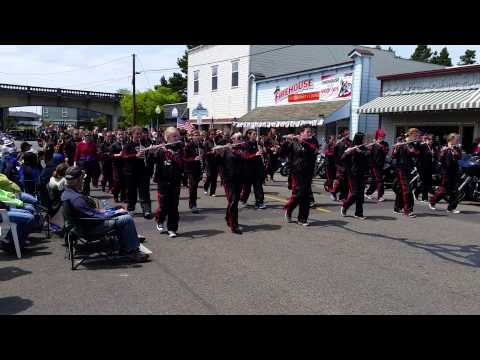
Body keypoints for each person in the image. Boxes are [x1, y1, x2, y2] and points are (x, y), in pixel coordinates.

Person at [60, 166, 149, 262]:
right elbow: (93, 217)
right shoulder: (76, 199)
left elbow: (89, 213)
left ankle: (128, 244)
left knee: (120, 212)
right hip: (89, 228)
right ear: (77, 180)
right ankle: (131, 251)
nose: (84, 181)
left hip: (80, 227)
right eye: (82, 179)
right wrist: (112, 213)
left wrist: (107, 211)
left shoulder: (67, 193)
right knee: (126, 218)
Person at [149, 127, 184, 238]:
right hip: (163, 181)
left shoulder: (180, 149)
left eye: (178, 135)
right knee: (163, 205)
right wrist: (151, 153)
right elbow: (151, 163)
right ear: (167, 138)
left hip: (175, 181)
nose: (177, 138)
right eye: (174, 136)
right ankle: (159, 220)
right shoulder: (160, 150)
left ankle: (172, 228)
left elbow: (182, 162)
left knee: (174, 206)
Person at [280, 126, 319, 226]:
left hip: (308, 171)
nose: (310, 134)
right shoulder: (293, 142)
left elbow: (314, 150)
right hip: (297, 171)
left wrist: (303, 142)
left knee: (306, 195)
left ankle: (302, 219)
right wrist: (286, 141)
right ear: (301, 133)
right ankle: (289, 209)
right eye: (308, 132)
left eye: (310, 132)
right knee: (300, 193)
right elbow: (282, 153)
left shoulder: (312, 141)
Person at [121, 126, 152, 219]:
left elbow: (150, 157)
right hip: (131, 172)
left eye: (140, 134)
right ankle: (130, 209)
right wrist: (135, 155)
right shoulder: (128, 145)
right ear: (132, 134)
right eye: (137, 134)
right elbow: (124, 156)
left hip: (143, 171)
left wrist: (152, 152)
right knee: (131, 192)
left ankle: (146, 210)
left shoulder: (145, 143)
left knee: (144, 191)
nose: (139, 136)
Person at [218, 132, 245, 234]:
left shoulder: (242, 148)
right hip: (229, 180)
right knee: (233, 202)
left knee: (234, 201)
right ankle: (234, 225)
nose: (241, 139)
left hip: (240, 178)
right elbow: (217, 161)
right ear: (232, 139)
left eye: (241, 137)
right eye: (238, 137)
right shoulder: (225, 150)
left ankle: (227, 217)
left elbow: (245, 157)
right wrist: (220, 151)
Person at [429, 133, 462, 214]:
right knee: (443, 190)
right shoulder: (443, 148)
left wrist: (453, 149)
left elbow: (459, 157)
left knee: (455, 191)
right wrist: (444, 150)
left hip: (454, 172)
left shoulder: (457, 148)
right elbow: (439, 158)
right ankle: (432, 201)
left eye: (458, 139)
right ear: (451, 139)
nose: (457, 141)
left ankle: (451, 208)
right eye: (456, 139)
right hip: (446, 172)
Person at [340, 132, 370, 219]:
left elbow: (367, 155)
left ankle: (358, 213)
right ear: (359, 139)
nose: (365, 140)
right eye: (363, 138)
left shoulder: (363, 148)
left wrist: (360, 151)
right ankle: (345, 206)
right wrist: (347, 153)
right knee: (354, 193)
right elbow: (342, 158)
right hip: (353, 173)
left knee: (361, 194)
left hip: (362, 173)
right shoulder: (352, 147)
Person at [392, 128, 420, 218]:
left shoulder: (412, 144)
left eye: (416, 136)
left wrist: (413, 150)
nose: (416, 137)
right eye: (415, 135)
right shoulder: (402, 142)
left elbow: (416, 153)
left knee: (400, 188)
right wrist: (396, 148)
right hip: (401, 169)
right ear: (410, 134)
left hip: (408, 169)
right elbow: (394, 156)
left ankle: (397, 207)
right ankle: (407, 210)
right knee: (407, 189)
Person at [240, 129, 267, 209]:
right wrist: (255, 154)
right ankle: (243, 200)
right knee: (247, 187)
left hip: (257, 169)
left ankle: (259, 202)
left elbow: (261, 153)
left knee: (258, 186)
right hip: (248, 169)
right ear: (249, 135)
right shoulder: (246, 144)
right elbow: (245, 156)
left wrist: (264, 151)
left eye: (256, 134)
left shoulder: (258, 143)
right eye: (254, 134)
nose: (255, 136)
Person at [365, 129, 389, 202]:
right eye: (381, 136)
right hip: (374, 165)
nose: (382, 137)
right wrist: (369, 147)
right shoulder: (373, 144)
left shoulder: (385, 144)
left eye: (383, 136)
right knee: (379, 180)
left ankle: (368, 193)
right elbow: (368, 153)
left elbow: (386, 151)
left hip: (381, 164)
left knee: (374, 181)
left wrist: (379, 145)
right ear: (378, 136)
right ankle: (380, 196)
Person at [183, 129, 204, 214]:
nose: (197, 136)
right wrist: (193, 159)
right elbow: (184, 158)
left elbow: (204, 154)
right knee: (193, 187)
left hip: (198, 168)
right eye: (195, 135)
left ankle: (193, 203)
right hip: (190, 169)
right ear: (191, 137)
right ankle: (193, 204)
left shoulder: (200, 145)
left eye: (198, 135)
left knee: (195, 187)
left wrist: (203, 154)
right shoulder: (188, 145)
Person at [74, 131, 100, 195]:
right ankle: (86, 192)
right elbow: (77, 154)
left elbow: (96, 154)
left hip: (91, 163)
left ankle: (86, 192)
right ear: (84, 137)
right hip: (83, 164)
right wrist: (75, 162)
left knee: (89, 178)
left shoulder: (93, 144)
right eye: (86, 136)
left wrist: (98, 161)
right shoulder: (80, 144)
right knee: (85, 178)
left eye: (89, 136)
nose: (88, 137)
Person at [329, 128, 352, 201]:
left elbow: (352, 152)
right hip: (340, 164)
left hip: (348, 164)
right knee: (340, 179)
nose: (348, 133)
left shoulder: (350, 142)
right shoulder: (338, 142)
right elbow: (333, 152)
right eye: (346, 132)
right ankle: (333, 192)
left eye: (348, 131)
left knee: (346, 181)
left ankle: (343, 196)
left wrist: (351, 152)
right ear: (342, 133)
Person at [414, 134, 434, 202]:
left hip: (429, 166)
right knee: (424, 181)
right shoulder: (422, 146)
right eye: (430, 140)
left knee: (427, 182)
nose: (431, 141)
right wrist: (417, 141)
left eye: (432, 140)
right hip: (422, 166)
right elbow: (417, 150)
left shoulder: (431, 147)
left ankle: (420, 194)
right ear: (426, 140)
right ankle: (422, 196)